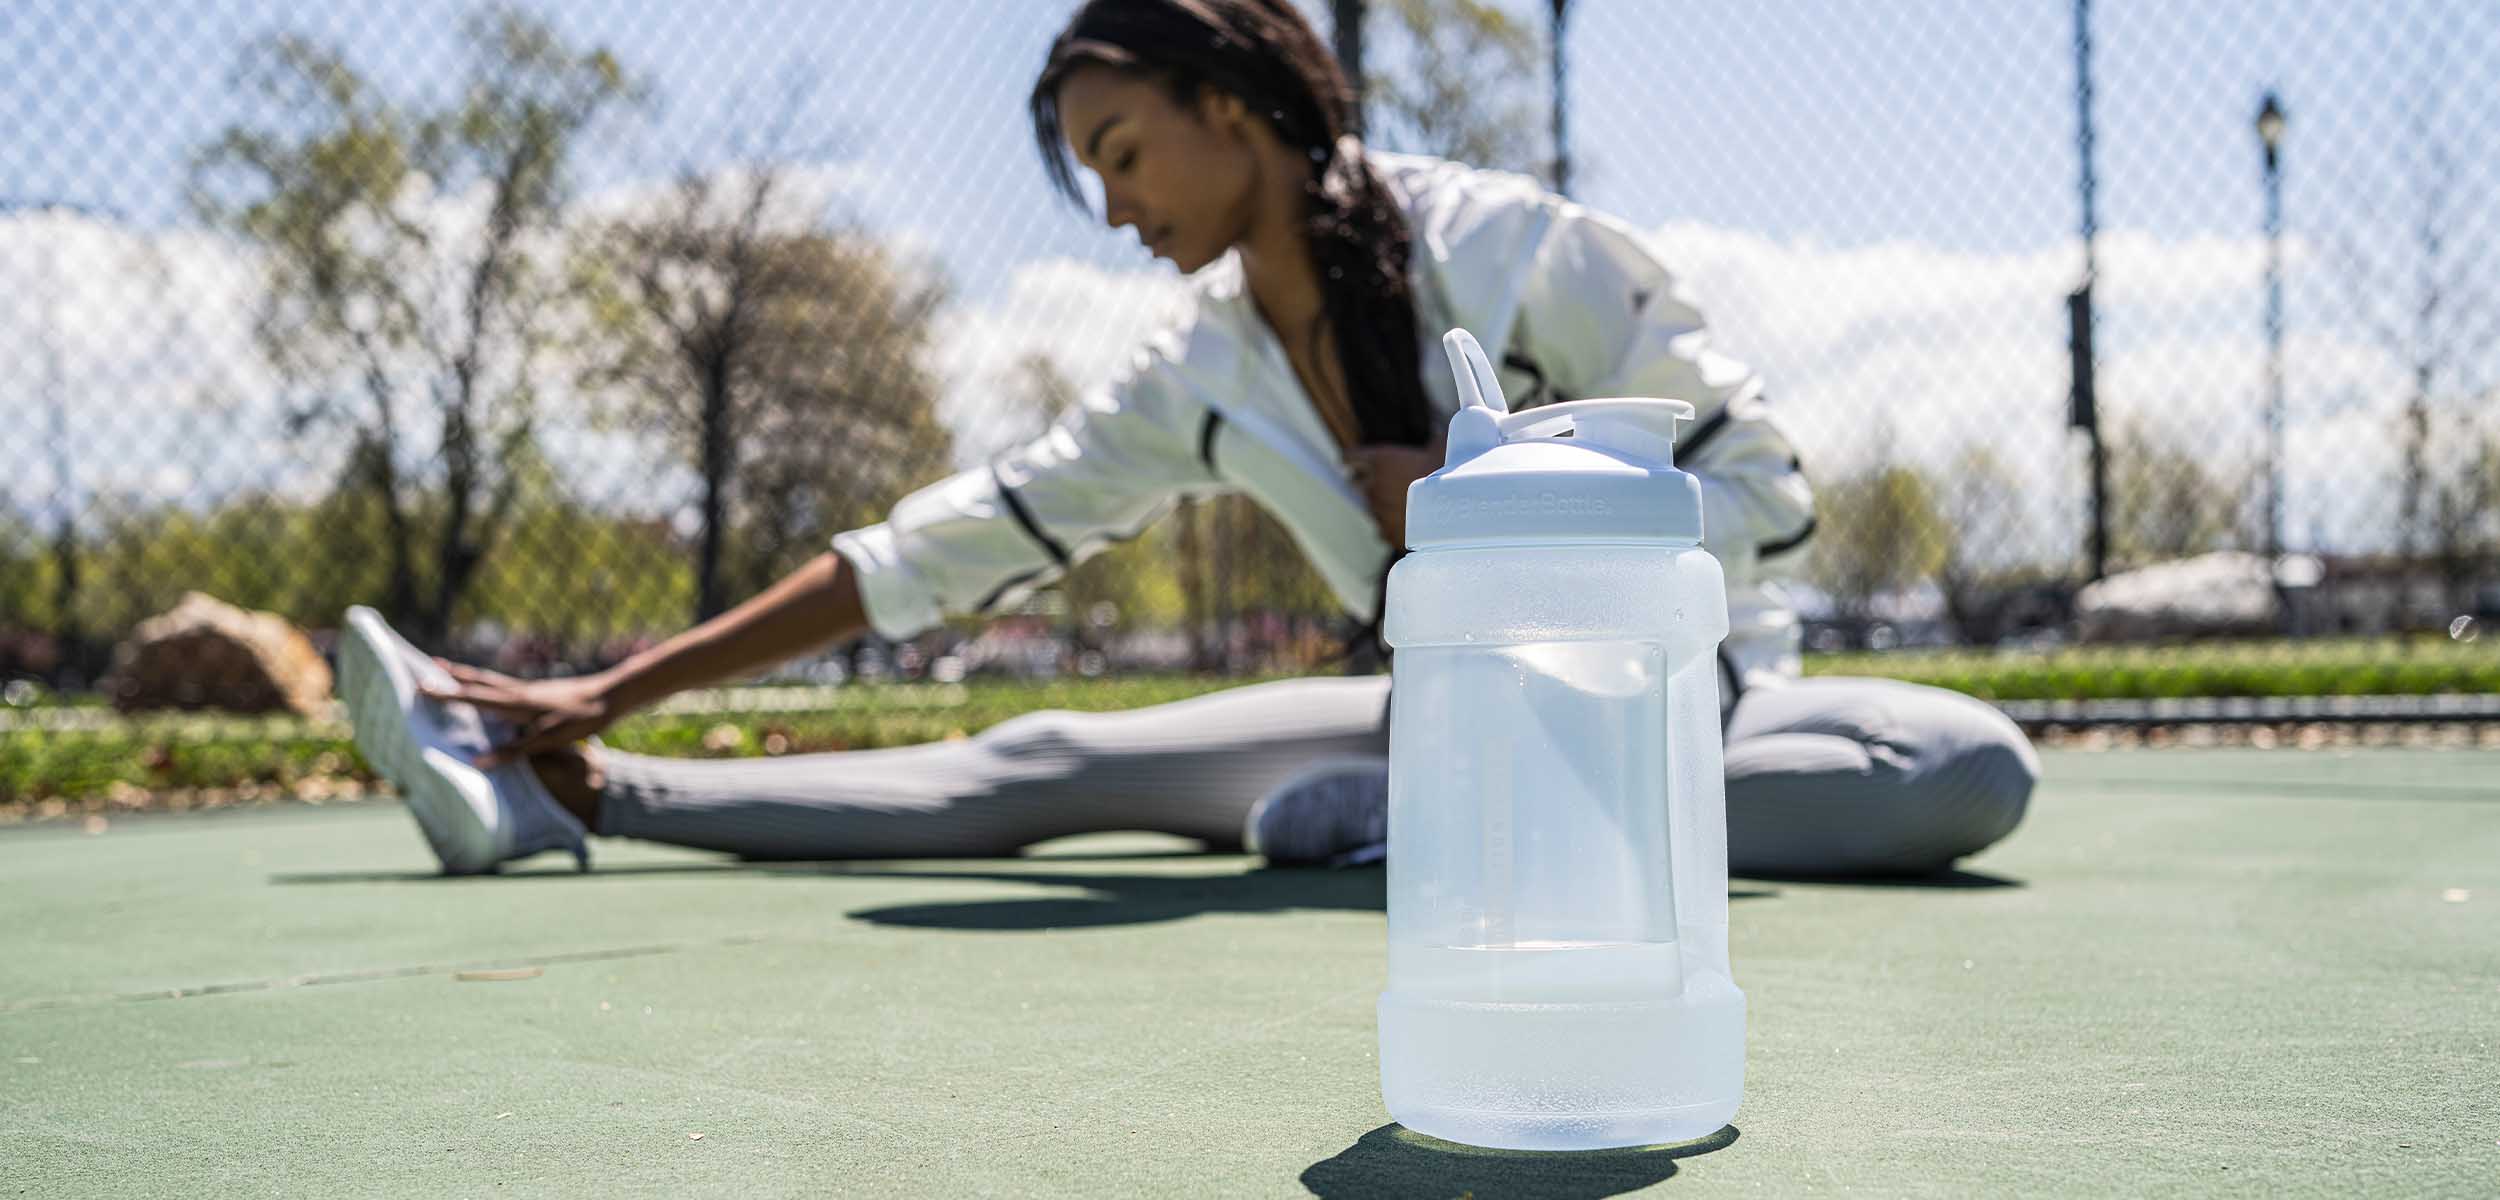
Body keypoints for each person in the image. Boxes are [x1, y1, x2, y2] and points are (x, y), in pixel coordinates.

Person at [336, 0, 2035, 880]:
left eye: (1124, 150)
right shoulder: (1200, 368)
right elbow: (946, 546)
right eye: (1087, 170)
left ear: (1234, 106)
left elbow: (1773, 496)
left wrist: (1504, 506)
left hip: (1684, 721)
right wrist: (605, 696)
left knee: (1960, 772)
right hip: (1432, 730)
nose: (1111, 203)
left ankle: (1419, 837)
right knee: (1052, 757)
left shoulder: (1512, 249)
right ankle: (577, 804)